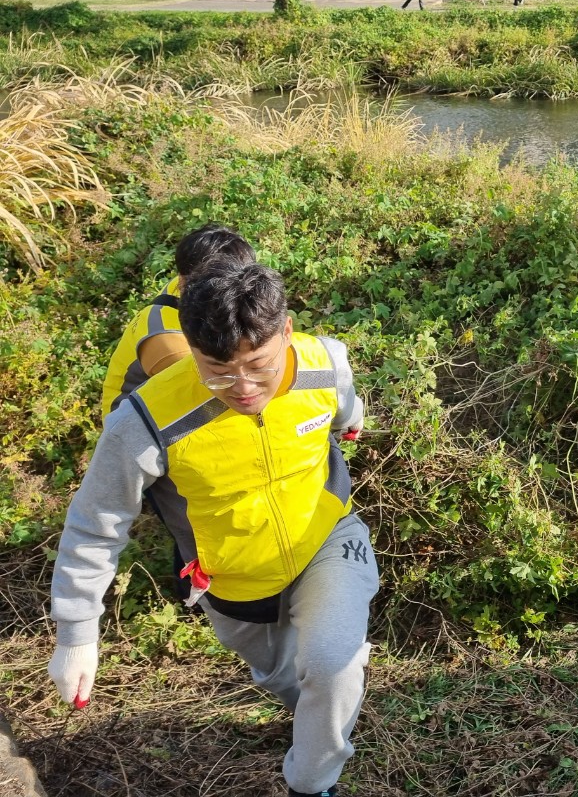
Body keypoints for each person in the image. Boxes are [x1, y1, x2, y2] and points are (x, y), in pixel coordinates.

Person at [48, 261, 376, 797]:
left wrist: (352, 417)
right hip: (232, 578)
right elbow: (95, 526)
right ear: (192, 348)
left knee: (331, 663)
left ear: (286, 332)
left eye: (259, 365)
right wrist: (77, 631)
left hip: (326, 539)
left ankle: (313, 783)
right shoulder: (146, 419)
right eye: (218, 370)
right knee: (286, 679)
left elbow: (343, 404)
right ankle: (317, 710)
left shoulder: (325, 361)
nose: (242, 387)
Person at [100, 223, 256, 421]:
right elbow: (218, 393)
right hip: (136, 431)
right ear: (185, 282)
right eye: (216, 289)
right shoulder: (165, 338)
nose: (227, 296)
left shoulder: (188, 286)